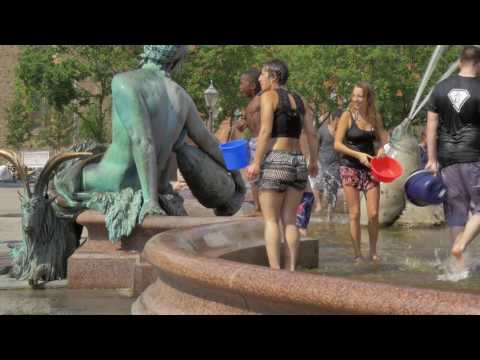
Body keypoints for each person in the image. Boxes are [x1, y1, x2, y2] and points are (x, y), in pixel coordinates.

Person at [246, 59, 318, 271]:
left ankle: (275, 273)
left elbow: (266, 131)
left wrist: (256, 163)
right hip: (298, 162)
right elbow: (311, 133)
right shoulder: (300, 99)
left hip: (277, 159)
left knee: (270, 220)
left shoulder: (268, 97)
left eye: (262, 74)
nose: (259, 79)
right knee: (290, 220)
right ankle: (291, 270)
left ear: (274, 76)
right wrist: (313, 161)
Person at [425, 46, 480, 262]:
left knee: (457, 213)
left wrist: (432, 159)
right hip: (474, 156)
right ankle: (461, 245)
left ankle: (459, 268)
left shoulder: (440, 88)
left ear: (459, 62)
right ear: (478, 64)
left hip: (446, 159)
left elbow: (431, 125)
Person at [334, 81, 389, 262]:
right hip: (350, 167)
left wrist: (381, 149)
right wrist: (358, 155)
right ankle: (357, 254)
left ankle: (373, 252)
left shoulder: (375, 117)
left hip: (371, 169)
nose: (356, 99)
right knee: (355, 213)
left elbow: (383, 140)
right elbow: (337, 144)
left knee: (373, 213)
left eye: (360, 96)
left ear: (368, 98)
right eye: (354, 95)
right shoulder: (347, 116)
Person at [238, 69, 262, 214]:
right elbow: (254, 121)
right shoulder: (254, 101)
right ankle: (259, 208)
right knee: (253, 178)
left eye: (242, 83)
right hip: (254, 140)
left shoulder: (261, 100)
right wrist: (245, 123)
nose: (240, 87)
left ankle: (260, 209)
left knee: (255, 177)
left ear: (252, 85)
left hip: (259, 141)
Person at [318, 109, 343, 221]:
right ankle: (319, 208)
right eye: (340, 120)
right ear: (334, 119)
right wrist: (315, 160)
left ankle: (329, 215)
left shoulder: (342, 132)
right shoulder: (322, 130)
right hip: (323, 164)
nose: (341, 123)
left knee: (333, 189)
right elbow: (316, 146)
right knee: (320, 188)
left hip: (335, 166)